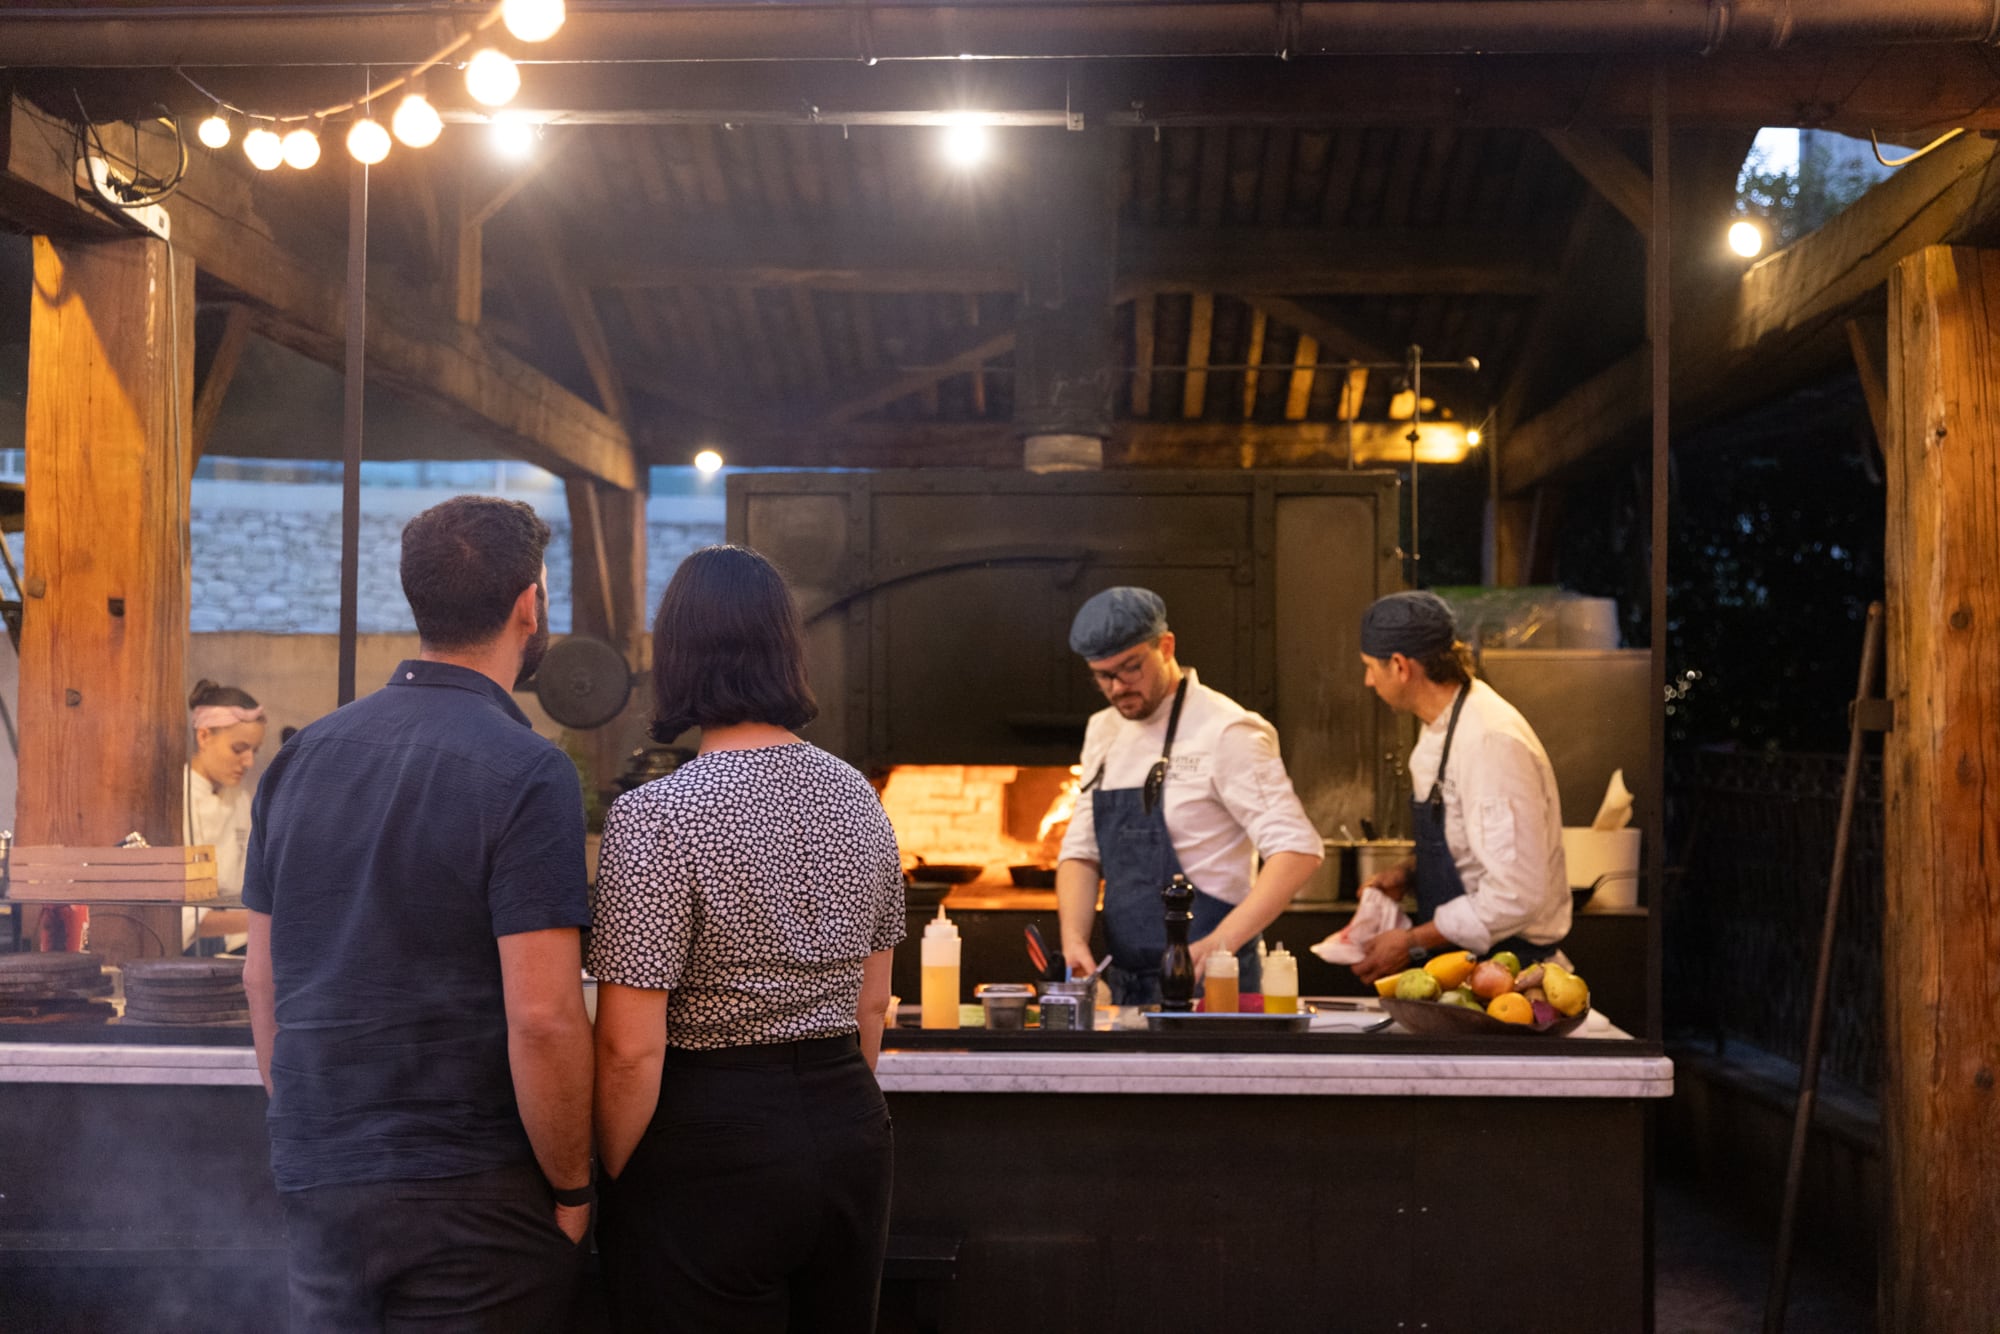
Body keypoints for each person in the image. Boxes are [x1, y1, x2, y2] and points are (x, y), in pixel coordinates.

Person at [241, 496, 594, 1332]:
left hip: (320, 1181)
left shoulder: (298, 759)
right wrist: (575, 1186)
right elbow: (543, 1017)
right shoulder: (529, 772)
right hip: (473, 1194)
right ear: (528, 605)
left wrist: (317, 1137)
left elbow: (262, 981)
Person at [590, 544, 904, 1334]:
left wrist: (606, 1179)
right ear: (785, 652)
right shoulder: (861, 801)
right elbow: (871, 1006)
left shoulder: (656, 815)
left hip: (709, 1141)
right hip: (849, 1126)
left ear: (678, 659)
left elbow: (631, 1050)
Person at [1055, 587, 1323, 1004]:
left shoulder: (1228, 731)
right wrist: (1074, 943)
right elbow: (1081, 851)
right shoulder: (1103, 731)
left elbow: (1298, 850)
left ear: (1166, 646)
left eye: (1130, 668)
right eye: (1103, 676)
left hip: (1212, 981)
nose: (1118, 687)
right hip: (1125, 982)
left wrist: (1221, 944)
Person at [1349, 590, 1570, 986]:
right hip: (1462, 968)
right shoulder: (1440, 727)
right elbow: (1474, 848)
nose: (1368, 681)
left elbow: (1516, 893)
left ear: (1400, 666)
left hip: (1510, 977)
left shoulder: (1490, 741)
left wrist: (1412, 940)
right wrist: (1410, 874)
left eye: (1370, 667)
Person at [183, 679, 266, 953]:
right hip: (188, 946)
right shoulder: (177, 799)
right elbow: (182, 918)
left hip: (235, 942)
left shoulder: (240, 798)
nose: (249, 762)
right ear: (204, 736)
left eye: (254, 751)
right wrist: (263, 919)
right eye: (239, 749)